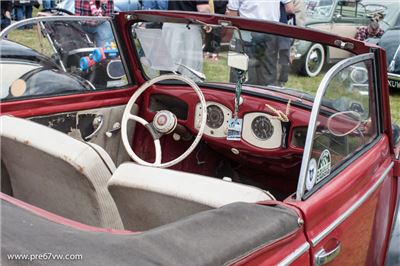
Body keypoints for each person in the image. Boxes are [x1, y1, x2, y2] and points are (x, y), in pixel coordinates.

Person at [226, 0, 280, 86]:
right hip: (264, 32)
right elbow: (290, 8)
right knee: (267, 77)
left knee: (239, 76)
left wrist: (229, 36)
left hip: (246, 33)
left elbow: (232, 14)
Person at [162, 0, 210, 80]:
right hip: (187, 26)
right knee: (190, 71)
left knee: (167, 70)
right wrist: (209, 23)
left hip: (169, 23)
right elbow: (203, 9)